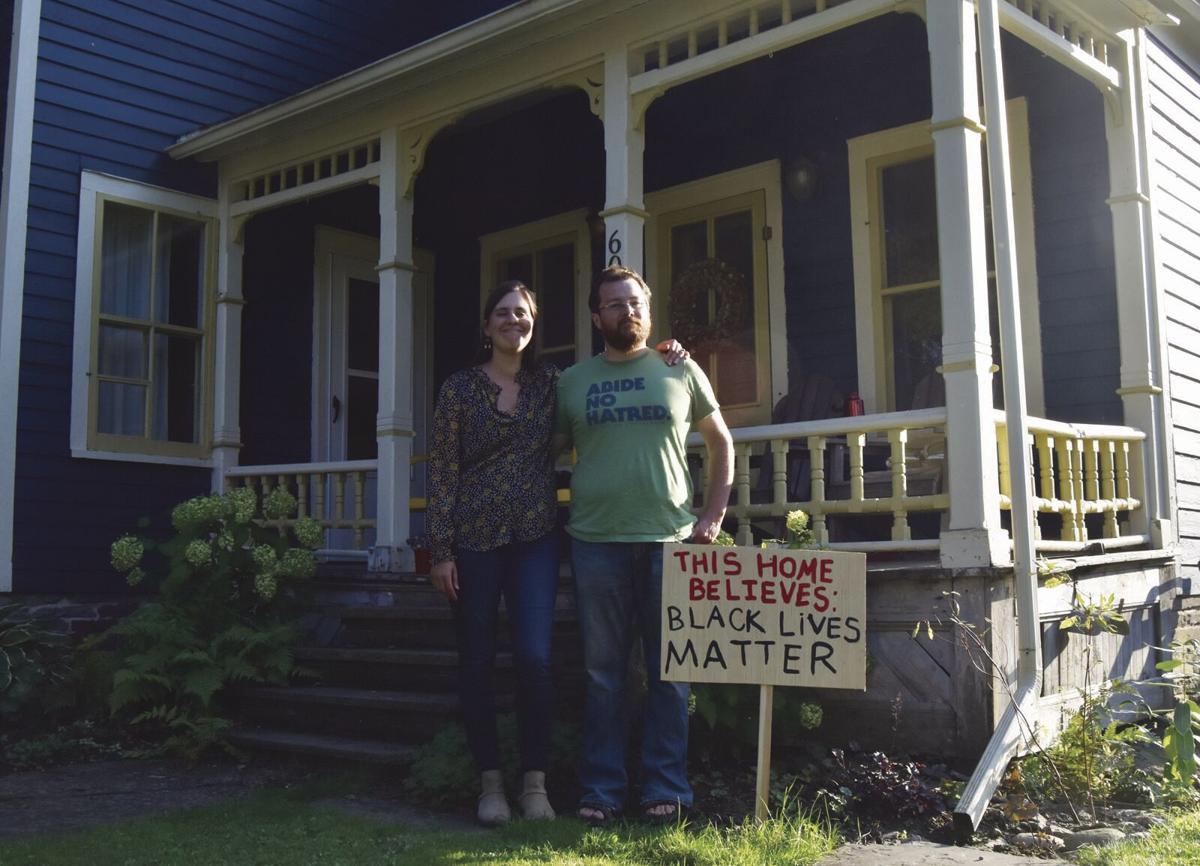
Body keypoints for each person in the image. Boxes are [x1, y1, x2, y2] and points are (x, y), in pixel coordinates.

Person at [428, 279, 687, 826]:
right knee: (477, 661)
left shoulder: (553, 382)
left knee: (535, 659)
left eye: (522, 314)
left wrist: (667, 350)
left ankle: (535, 785)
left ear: (533, 323)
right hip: (472, 541)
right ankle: (490, 784)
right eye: (502, 313)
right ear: (486, 325)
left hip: (536, 537)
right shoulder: (457, 389)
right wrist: (440, 550)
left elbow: (624, 360)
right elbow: (443, 474)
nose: (513, 322)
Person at [553, 265, 733, 825]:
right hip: (595, 542)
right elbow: (548, 453)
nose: (625, 312)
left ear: (648, 311)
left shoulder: (679, 369)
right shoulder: (572, 382)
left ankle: (666, 788)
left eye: (634, 303)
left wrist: (713, 514)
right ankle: (601, 791)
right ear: (595, 316)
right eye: (613, 304)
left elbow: (720, 441)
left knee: (670, 673)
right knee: (602, 673)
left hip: (669, 542)